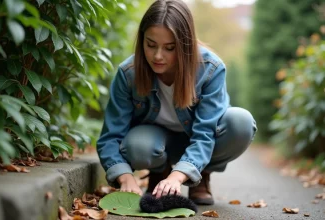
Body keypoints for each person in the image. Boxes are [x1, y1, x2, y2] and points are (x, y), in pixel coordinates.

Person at [97, 0, 257, 205]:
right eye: (150, 44)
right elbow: (110, 136)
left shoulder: (211, 69)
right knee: (138, 145)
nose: (157, 56)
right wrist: (124, 176)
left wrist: (180, 174)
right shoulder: (129, 74)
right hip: (156, 144)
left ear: (185, 44)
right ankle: (159, 174)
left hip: (197, 140)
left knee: (241, 122)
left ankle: (199, 175)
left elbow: (205, 134)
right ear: (142, 40)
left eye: (170, 48)